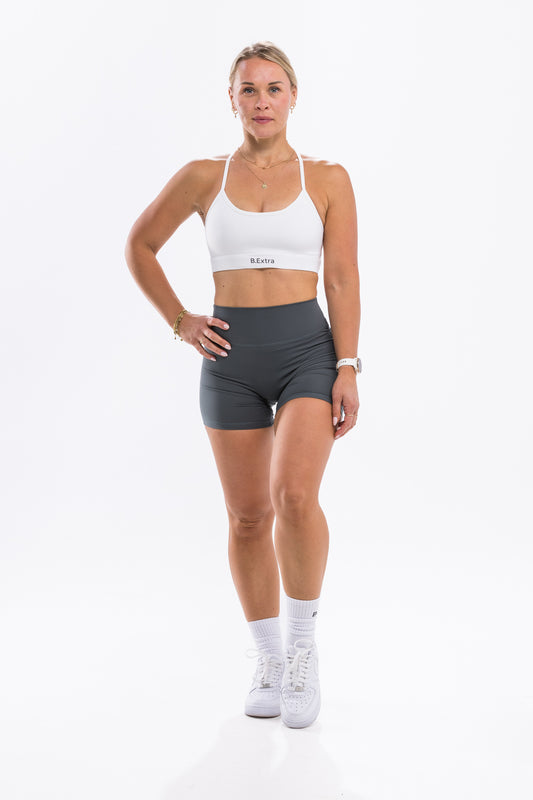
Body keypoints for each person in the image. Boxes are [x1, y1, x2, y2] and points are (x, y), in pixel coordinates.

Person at [124, 41, 361, 729]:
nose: (261, 101)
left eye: (273, 88)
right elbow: (139, 245)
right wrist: (180, 321)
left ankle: (302, 648)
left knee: (294, 496)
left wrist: (348, 365)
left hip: (307, 353)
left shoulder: (328, 178)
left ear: (294, 97)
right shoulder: (203, 176)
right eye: (248, 89)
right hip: (230, 360)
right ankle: (268, 658)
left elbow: (341, 278)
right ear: (231, 100)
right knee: (248, 516)